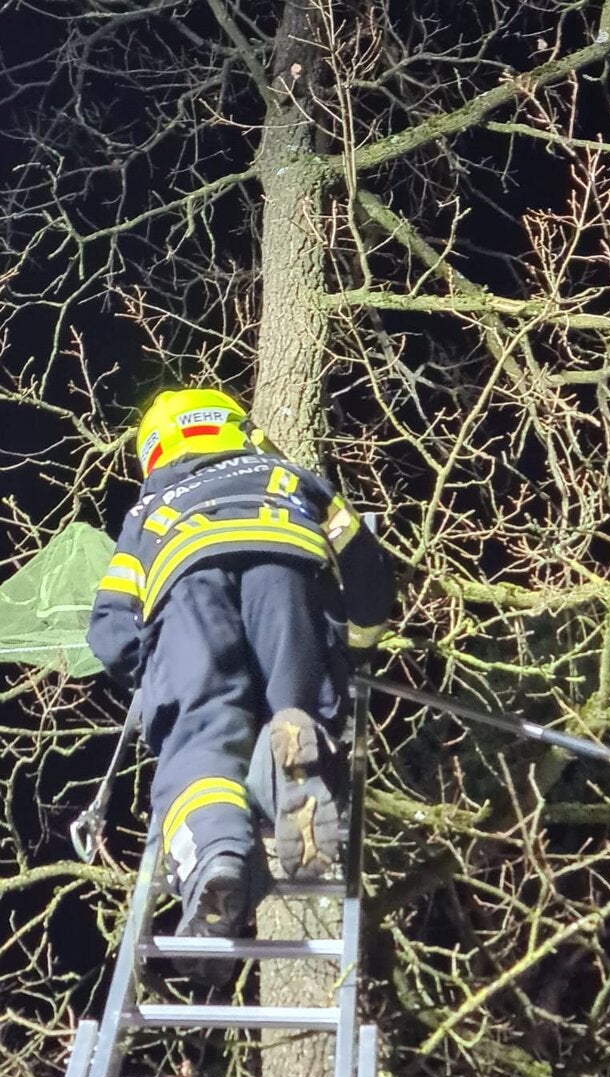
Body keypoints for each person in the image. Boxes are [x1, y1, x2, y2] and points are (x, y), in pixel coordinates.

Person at [87, 387, 394, 979]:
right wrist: (353, 648)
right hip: (289, 565)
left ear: (156, 450)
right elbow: (364, 561)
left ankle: (217, 852)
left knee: (201, 739)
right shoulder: (286, 474)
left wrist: (151, 673)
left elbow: (111, 626)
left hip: (187, 590)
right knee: (299, 707)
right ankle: (293, 753)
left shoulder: (150, 507)